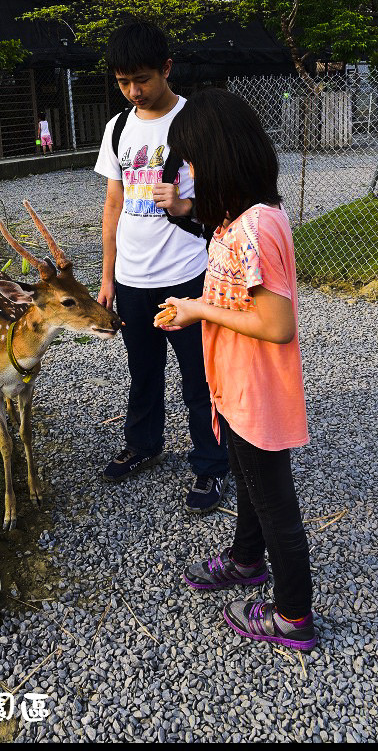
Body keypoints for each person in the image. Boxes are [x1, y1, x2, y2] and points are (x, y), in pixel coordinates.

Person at [157, 87, 317, 651]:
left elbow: (277, 324)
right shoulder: (237, 220)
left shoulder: (255, 226)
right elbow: (232, 281)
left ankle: (294, 615)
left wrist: (199, 308)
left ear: (220, 158)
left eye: (194, 162)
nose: (191, 174)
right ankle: (248, 560)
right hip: (237, 387)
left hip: (257, 390)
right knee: (250, 485)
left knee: (276, 506)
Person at [94, 21, 229, 512]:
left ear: (167, 69)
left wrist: (185, 205)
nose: (133, 91)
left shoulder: (198, 122)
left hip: (188, 273)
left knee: (200, 376)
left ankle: (212, 466)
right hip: (132, 277)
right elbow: (113, 204)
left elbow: (228, 198)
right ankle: (144, 444)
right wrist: (107, 277)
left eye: (142, 80)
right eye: (123, 82)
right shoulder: (118, 128)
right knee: (142, 369)